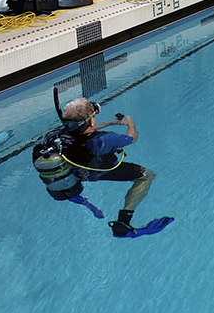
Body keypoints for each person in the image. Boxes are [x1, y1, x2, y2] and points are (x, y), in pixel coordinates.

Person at [55, 97, 169, 239]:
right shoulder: (106, 140)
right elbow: (132, 138)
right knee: (146, 175)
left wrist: (110, 123)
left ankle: (85, 202)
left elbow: (81, 131)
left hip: (77, 172)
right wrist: (130, 124)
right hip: (100, 172)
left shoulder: (60, 135)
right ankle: (124, 221)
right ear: (91, 120)